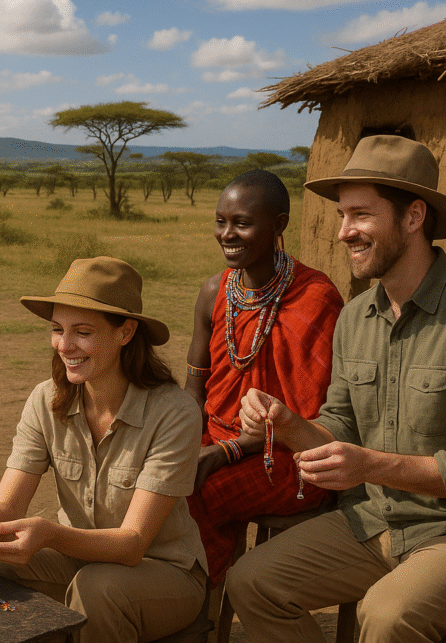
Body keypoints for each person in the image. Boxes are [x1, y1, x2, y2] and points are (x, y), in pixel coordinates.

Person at [228, 135, 446, 642]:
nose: (342, 233)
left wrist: (370, 465)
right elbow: (342, 426)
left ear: (414, 217)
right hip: (379, 519)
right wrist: (289, 424)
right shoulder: (357, 317)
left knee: (388, 615)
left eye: (359, 215)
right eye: (340, 216)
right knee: (251, 583)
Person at [0, 257, 208, 643]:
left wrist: (49, 534)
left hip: (165, 572)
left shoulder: (175, 413)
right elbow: (8, 507)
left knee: (98, 588)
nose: (65, 346)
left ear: (126, 332)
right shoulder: (45, 400)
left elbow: (132, 545)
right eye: (57, 329)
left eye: (82, 332)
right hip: (79, 563)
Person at [184, 169, 343, 586]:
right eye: (221, 221)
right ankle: (165, 599)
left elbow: (307, 420)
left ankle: (193, 607)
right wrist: (175, 440)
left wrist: (227, 452)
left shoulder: (315, 298)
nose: (227, 234)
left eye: (242, 223)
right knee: (150, 480)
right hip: (217, 438)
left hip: (292, 457)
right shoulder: (213, 291)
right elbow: (195, 385)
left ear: (279, 225)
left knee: (201, 493)